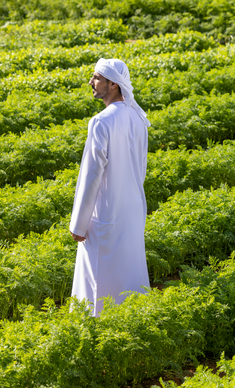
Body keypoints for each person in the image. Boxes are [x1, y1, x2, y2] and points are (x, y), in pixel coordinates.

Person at [69, 58, 151, 317]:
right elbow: (141, 167)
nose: (91, 82)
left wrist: (79, 225)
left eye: (96, 78)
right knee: (129, 276)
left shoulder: (101, 122)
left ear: (113, 85)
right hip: (133, 210)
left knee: (98, 285)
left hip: (105, 214)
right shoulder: (138, 118)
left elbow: (91, 176)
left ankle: (95, 331)